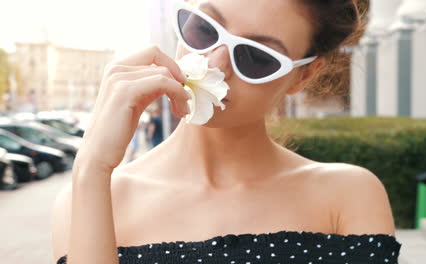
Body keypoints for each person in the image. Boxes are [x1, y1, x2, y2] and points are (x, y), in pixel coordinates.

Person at [52, 0, 402, 263]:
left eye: (256, 56)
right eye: (203, 29)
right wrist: (91, 166)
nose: (214, 64)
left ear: (303, 76)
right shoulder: (92, 196)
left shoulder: (348, 195)